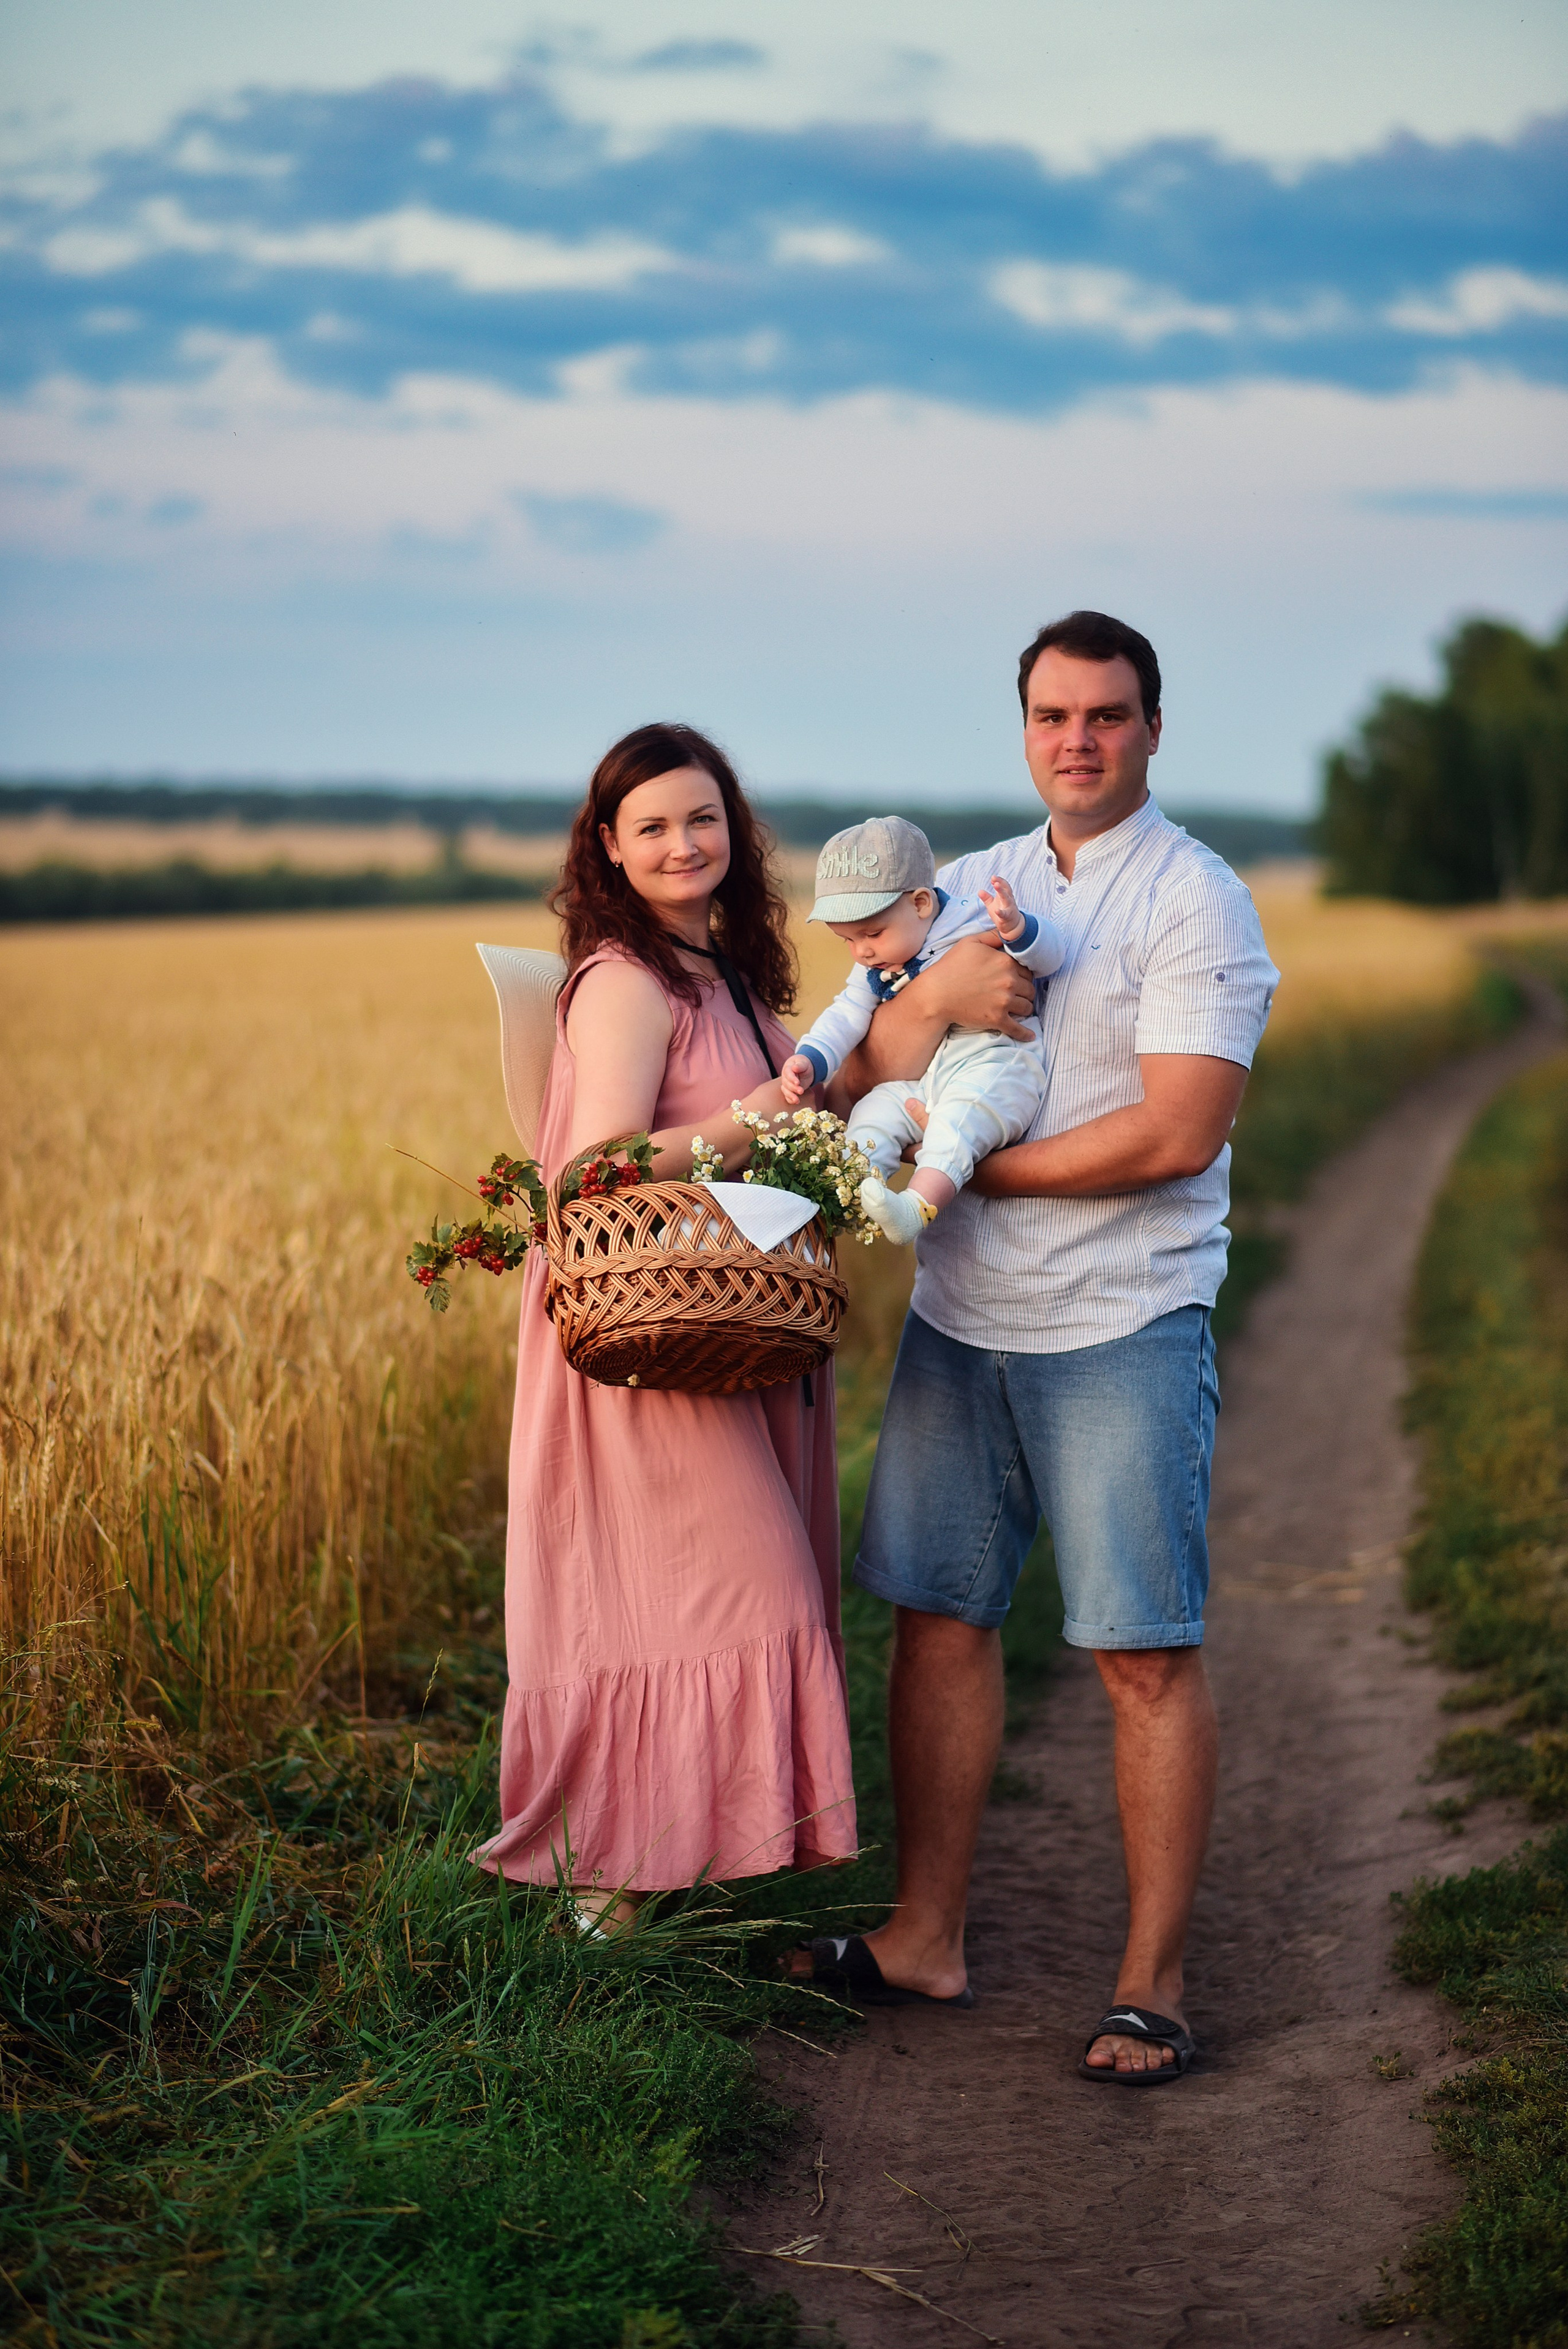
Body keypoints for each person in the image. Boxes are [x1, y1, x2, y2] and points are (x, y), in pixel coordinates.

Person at [800, 610, 1278, 2078]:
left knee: (1137, 1647)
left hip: (1117, 1320)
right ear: (1022, 726)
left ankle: (1152, 1980)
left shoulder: (1196, 899)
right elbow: (864, 1070)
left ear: (1150, 727)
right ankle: (922, 1936)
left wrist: (967, 1172)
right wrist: (923, 1004)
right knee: (936, 1618)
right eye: (1052, 714)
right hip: (961, 1320)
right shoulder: (979, 882)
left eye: (1107, 714)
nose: (1077, 738)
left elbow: (1174, 1128)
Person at [472, 722, 858, 1922]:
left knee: (711, 1600)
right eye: (651, 826)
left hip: (730, 1328)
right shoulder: (626, 983)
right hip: (645, 1354)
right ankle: (602, 1892)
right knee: (746, 1598)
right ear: (609, 847)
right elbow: (593, 1172)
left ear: (734, 834)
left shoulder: (731, 979)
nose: (683, 843)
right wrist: (757, 1123)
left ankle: (670, 1886)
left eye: (702, 819)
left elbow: (816, 1095)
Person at [779, 815, 1065, 1243]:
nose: (862, 951)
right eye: (848, 940)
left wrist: (1017, 928)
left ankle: (915, 1207)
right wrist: (811, 1058)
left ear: (920, 904)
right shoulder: (875, 961)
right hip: (928, 1078)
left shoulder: (971, 919)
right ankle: (855, 1189)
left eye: (872, 933)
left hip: (998, 1065)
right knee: (875, 1110)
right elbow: (847, 1012)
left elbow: (1052, 958)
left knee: (956, 1123)